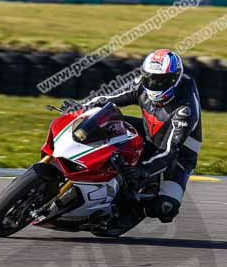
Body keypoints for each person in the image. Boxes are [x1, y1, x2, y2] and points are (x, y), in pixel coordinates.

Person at [76, 49, 202, 223]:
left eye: (160, 80)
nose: (153, 84)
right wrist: (82, 108)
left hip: (178, 157)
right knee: (102, 123)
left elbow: (170, 151)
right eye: (149, 77)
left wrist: (142, 170)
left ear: (175, 79)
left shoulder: (185, 109)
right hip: (148, 131)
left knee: (166, 209)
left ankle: (128, 206)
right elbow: (108, 98)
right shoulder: (142, 84)